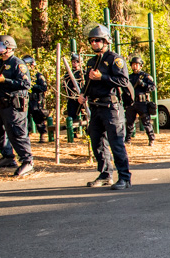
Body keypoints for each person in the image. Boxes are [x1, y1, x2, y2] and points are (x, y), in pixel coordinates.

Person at [78, 25, 132, 190]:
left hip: (111, 106)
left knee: (116, 143)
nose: (94, 43)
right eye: (92, 41)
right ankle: (105, 174)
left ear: (106, 40)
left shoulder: (115, 59)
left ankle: (124, 177)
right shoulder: (91, 61)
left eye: (98, 40)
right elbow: (89, 82)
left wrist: (104, 77)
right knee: (97, 143)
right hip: (95, 106)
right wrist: (83, 94)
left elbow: (124, 81)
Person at [0, 34, 33, 176]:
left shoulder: (17, 63)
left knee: (16, 133)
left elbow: (25, 84)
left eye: (0, 45)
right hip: (1, 105)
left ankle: (27, 161)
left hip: (13, 105)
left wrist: (5, 80)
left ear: (9, 47)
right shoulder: (0, 64)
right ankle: (8, 157)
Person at [124, 56, 156, 146]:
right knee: (129, 122)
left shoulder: (145, 76)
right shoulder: (129, 77)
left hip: (142, 102)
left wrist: (143, 84)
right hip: (131, 103)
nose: (135, 66)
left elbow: (152, 87)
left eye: (137, 65)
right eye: (133, 64)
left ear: (141, 66)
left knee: (146, 122)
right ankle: (128, 139)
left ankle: (151, 139)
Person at [24, 55, 48, 143]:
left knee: (38, 118)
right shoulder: (23, 76)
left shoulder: (38, 76)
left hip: (36, 100)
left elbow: (44, 87)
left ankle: (42, 134)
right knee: (25, 119)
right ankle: (27, 135)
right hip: (26, 100)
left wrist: (33, 86)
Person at [64, 53, 85, 123]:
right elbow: (65, 86)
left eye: (76, 61)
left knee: (86, 115)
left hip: (83, 97)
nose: (74, 63)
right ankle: (74, 133)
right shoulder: (68, 74)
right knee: (72, 116)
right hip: (73, 98)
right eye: (73, 62)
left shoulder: (83, 73)